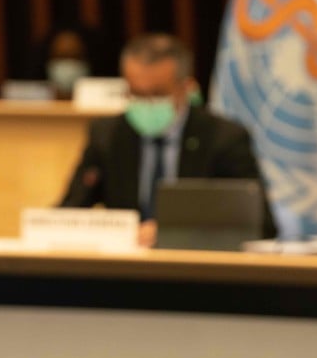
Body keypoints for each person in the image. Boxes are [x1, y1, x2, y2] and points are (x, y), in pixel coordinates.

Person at [60, 33, 276, 247]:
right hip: (126, 268)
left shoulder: (224, 138)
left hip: (197, 268)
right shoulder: (107, 135)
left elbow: (260, 225)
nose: (146, 103)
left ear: (186, 88)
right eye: (136, 94)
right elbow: (68, 213)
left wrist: (175, 232)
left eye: (157, 94)